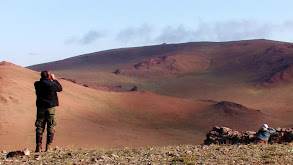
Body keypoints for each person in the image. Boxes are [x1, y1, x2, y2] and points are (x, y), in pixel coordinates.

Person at [34, 70, 62, 152]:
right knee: (51, 125)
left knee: (39, 126)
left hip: (40, 108)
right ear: (48, 76)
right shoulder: (52, 84)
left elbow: (39, 83)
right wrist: (54, 79)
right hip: (50, 108)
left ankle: (38, 147)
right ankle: (48, 148)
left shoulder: (37, 84)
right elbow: (60, 88)